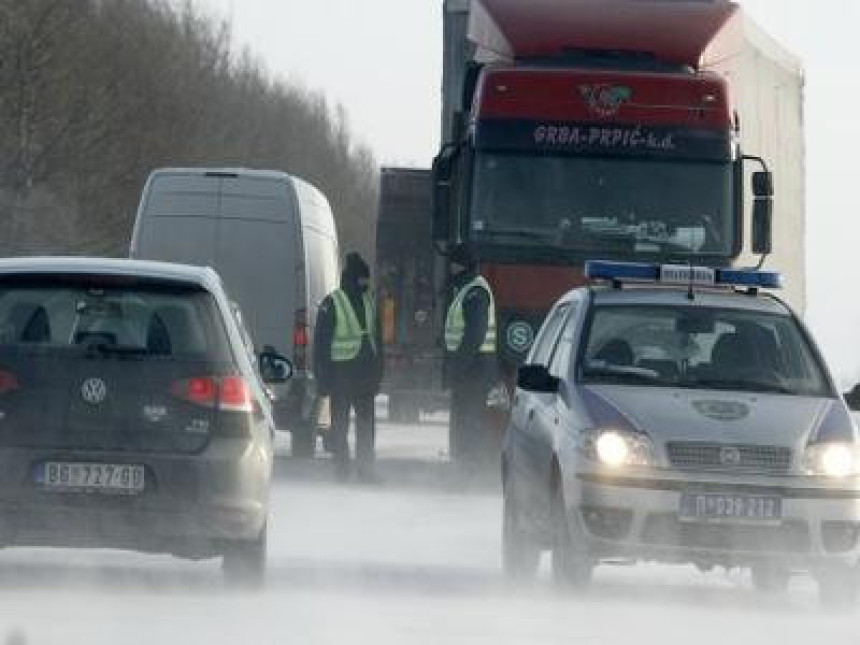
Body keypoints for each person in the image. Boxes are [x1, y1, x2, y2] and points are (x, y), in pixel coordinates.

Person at [314, 252, 383, 481]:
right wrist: (322, 380)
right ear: (354, 278)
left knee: (365, 426)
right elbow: (321, 345)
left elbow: (377, 339)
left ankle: (365, 470)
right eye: (363, 280)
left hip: (362, 375)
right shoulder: (332, 303)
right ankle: (342, 470)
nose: (366, 284)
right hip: (341, 375)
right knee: (340, 427)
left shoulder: (369, 301)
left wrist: (378, 372)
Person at [443, 248, 498, 462]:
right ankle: (465, 466)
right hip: (474, 368)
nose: (450, 268)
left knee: (470, 421)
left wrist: (457, 367)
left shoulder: (475, 292)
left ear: (461, 265)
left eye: (454, 263)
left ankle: (470, 468)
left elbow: (474, 334)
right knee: (466, 420)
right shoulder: (467, 288)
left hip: (474, 369)